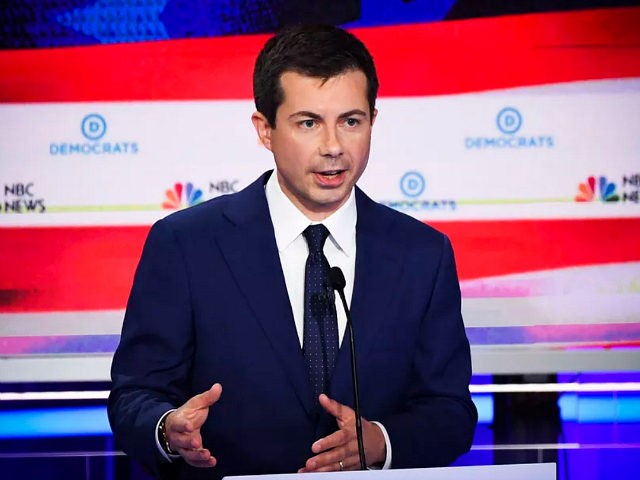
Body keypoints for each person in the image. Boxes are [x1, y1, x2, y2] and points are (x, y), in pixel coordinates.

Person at [108, 24, 477, 480]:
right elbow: (134, 397)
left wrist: (383, 440)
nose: (334, 147)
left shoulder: (423, 254)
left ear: (373, 122)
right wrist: (167, 430)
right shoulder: (186, 244)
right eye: (308, 123)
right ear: (265, 130)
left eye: (351, 121)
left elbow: (451, 412)